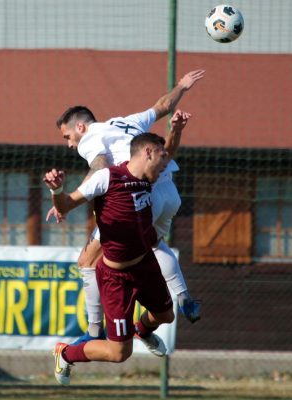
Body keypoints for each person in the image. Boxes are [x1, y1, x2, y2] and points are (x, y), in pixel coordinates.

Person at [49, 70, 204, 345]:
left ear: (81, 127)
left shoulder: (90, 138)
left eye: (67, 137)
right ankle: (183, 298)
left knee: (86, 261)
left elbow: (98, 167)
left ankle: (94, 332)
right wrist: (182, 86)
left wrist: (69, 200)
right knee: (156, 244)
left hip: (142, 194)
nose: (70, 145)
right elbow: (163, 106)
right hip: (169, 191)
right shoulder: (126, 122)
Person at [43, 132, 175, 386]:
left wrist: (176, 129)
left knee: (165, 315)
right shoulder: (108, 178)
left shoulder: (148, 179)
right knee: (119, 353)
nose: (166, 162)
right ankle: (66, 353)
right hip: (116, 278)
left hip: (145, 265)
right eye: (161, 154)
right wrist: (57, 189)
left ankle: (142, 330)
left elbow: (170, 150)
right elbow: (65, 205)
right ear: (147, 152)